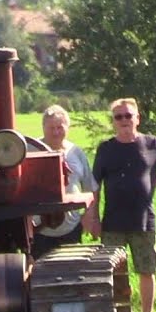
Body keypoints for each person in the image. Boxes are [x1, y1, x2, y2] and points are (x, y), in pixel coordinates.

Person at [83, 98, 156, 312]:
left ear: (137, 118)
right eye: (118, 117)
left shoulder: (151, 144)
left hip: (143, 220)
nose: (124, 120)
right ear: (113, 122)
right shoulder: (106, 149)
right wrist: (94, 218)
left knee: (146, 269)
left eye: (128, 116)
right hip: (112, 222)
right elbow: (95, 186)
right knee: (111, 273)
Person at [32, 105, 97, 258]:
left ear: (67, 128)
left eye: (59, 127)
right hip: (39, 229)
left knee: (71, 270)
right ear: (43, 128)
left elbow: (90, 187)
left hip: (71, 227)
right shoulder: (30, 149)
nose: (55, 132)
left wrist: (90, 215)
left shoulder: (76, 152)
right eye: (51, 127)